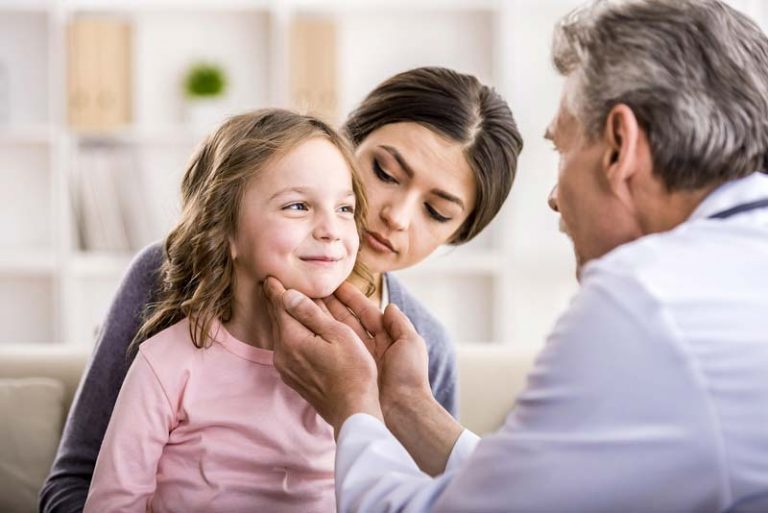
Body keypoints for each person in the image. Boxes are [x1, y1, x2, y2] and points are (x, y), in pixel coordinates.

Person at [263, 1, 768, 511]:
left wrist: (355, 407)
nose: (553, 196)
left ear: (619, 147)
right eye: (387, 173)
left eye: (562, 150)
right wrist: (404, 404)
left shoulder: (644, 299)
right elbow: (556, 493)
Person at [40, 67, 523, 512]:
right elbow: (75, 485)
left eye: (437, 212)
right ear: (344, 145)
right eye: (385, 173)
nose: (397, 214)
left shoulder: (420, 346)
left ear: (457, 234)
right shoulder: (170, 276)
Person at [82, 108, 371, 512]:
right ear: (225, 230)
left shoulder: (358, 362)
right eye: (298, 206)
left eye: (345, 208)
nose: (331, 229)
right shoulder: (167, 362)